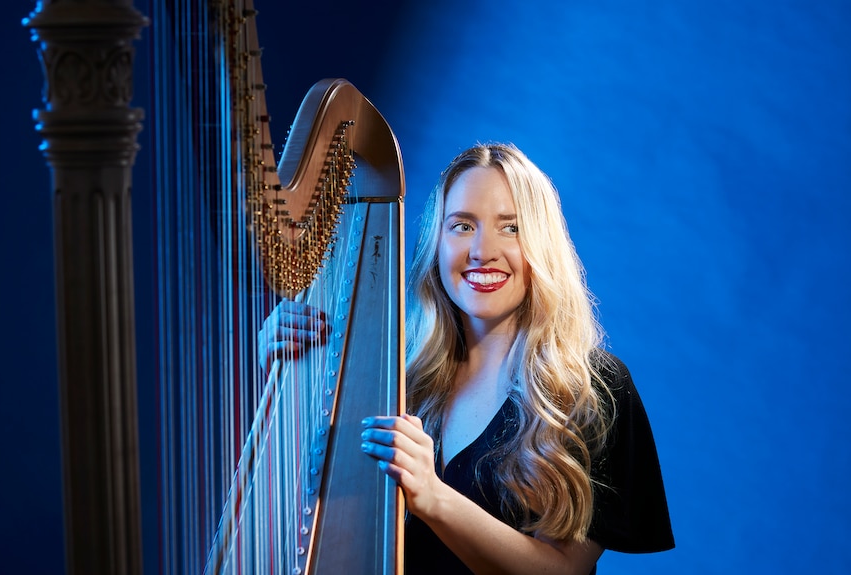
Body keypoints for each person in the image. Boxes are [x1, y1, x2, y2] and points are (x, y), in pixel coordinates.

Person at [260, 143, 674, 574]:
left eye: (510, 228)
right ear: (436, 244)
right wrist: (285, 377)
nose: (482, 250)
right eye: (461, 226)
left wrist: (433, 496)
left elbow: (564, 570)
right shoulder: (395, 379)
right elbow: (309, 511)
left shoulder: (593, 389)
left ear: (542, 247)